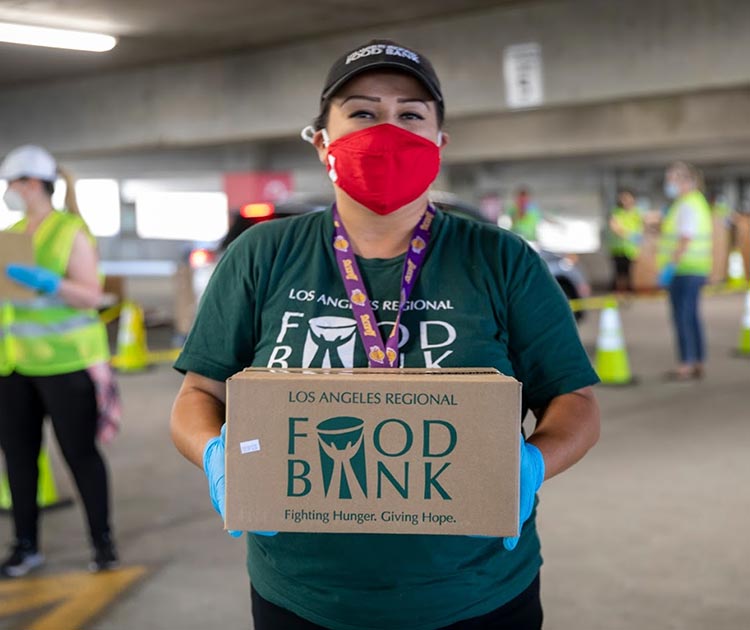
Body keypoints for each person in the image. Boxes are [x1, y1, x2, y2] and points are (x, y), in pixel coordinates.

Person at [171, 39, 600, 630]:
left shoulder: (503, 260)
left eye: (411, 115)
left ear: (439, 144)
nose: (387, 128)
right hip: (303, 596)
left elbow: (573, 402)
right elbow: (199, 395)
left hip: (475, 594)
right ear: (323, 140)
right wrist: (217, 457)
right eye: (363, 112)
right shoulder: (263, 256)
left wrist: (529, 465)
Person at [0, 144, 118, 576]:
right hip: (13, 366)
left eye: (11, 183)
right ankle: (25, 545)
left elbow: (93, 296)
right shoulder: (11, 232)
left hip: (66, 364)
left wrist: (51, 283)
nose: (8, 191)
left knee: (79, 455)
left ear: (31, 184)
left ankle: (103, 545)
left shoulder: (70, 230)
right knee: (18, 459)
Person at [657, 161, 713, 380]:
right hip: (695, 269)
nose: (669, 183)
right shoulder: (694, 202)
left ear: (686, 181)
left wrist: (670, 267)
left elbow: (685, 238)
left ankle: (686, 364)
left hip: (684, 270)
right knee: (691, 316)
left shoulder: (687, 204)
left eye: (672, 179)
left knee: (682, 317)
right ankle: (697, 361)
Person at [608, 188, 644, 292]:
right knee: (619, 273)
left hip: (631, 249)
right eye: (623, 198)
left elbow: (642, 226)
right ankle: (619, 292)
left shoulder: (636, 212)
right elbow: (614, 226)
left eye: (627, 198)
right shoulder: (617, 212)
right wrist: (628, 235)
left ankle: (629, 293)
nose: (625, 200)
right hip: (618, 249)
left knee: (630, 273)